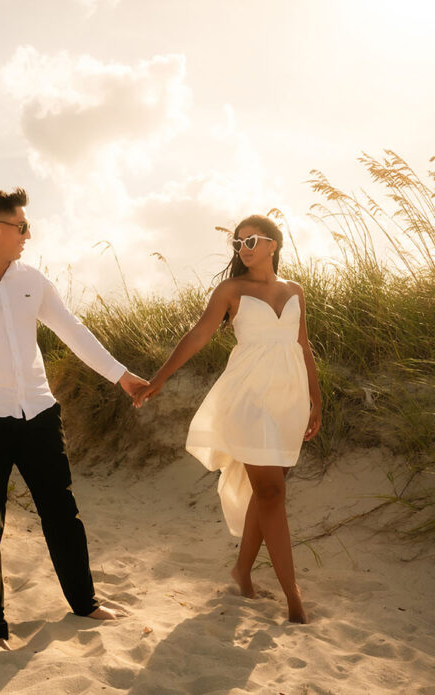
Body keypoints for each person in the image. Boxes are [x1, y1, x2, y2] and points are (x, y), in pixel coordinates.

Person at [0, 187, 149, 649]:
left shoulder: (33, 280)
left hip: (39, 415)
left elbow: (72, 329)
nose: (28, 234)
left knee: (62, 512)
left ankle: (85, 603)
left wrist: (121, 377)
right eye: (21, 226)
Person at [133, 214, 322, 623]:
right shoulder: (231, 290)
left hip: (288, 400)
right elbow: (199, 334)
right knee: (272, 493)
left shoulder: (296, 291)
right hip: (248, 397)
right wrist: (159, 379)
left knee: (268, 490)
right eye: (238, 244)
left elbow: (303, 346)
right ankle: (294, 598)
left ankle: (241, 570)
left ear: (273, 244)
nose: (244, 248)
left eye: (251, 241)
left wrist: (316, 396)